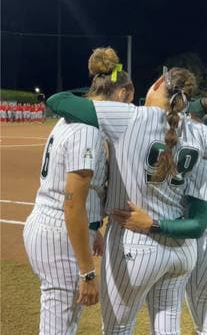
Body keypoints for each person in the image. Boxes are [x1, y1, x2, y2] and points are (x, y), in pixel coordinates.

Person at [47, 66, 207, 335]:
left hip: (134, 241)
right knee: (167, 328)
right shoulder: (196, 131)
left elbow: (58, 101)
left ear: (157, 84)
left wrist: (98, 88)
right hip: (182, 251)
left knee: (118, 329)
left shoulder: (129, 116)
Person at [23, 46, 134, 335]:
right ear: (122, 93)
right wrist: (87, 272)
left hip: (52, 225)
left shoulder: (69, 118)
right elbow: (72, 205)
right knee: (59, 326)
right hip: (59, 232)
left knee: (63, 319)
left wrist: (92, 229)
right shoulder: (88, 129)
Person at [113, 97, 207, 335]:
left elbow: (196, 225)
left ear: (203, 124)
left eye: (191, 119)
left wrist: (153, 224)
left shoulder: (205, 165)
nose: (185, 125)